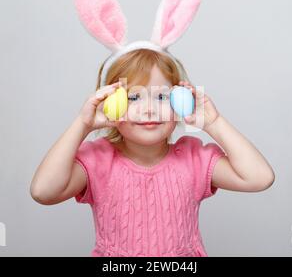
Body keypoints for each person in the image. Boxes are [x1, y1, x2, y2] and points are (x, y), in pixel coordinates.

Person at [30, 48, 275, 257]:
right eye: (134, 97)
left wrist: (214, 122)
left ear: (180, 102)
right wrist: (82, 125)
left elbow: (259, 178)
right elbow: (44, 191)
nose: (149, 109)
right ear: (110, 104)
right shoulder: (99, 160)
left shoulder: (193, 158)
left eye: (161, 96)